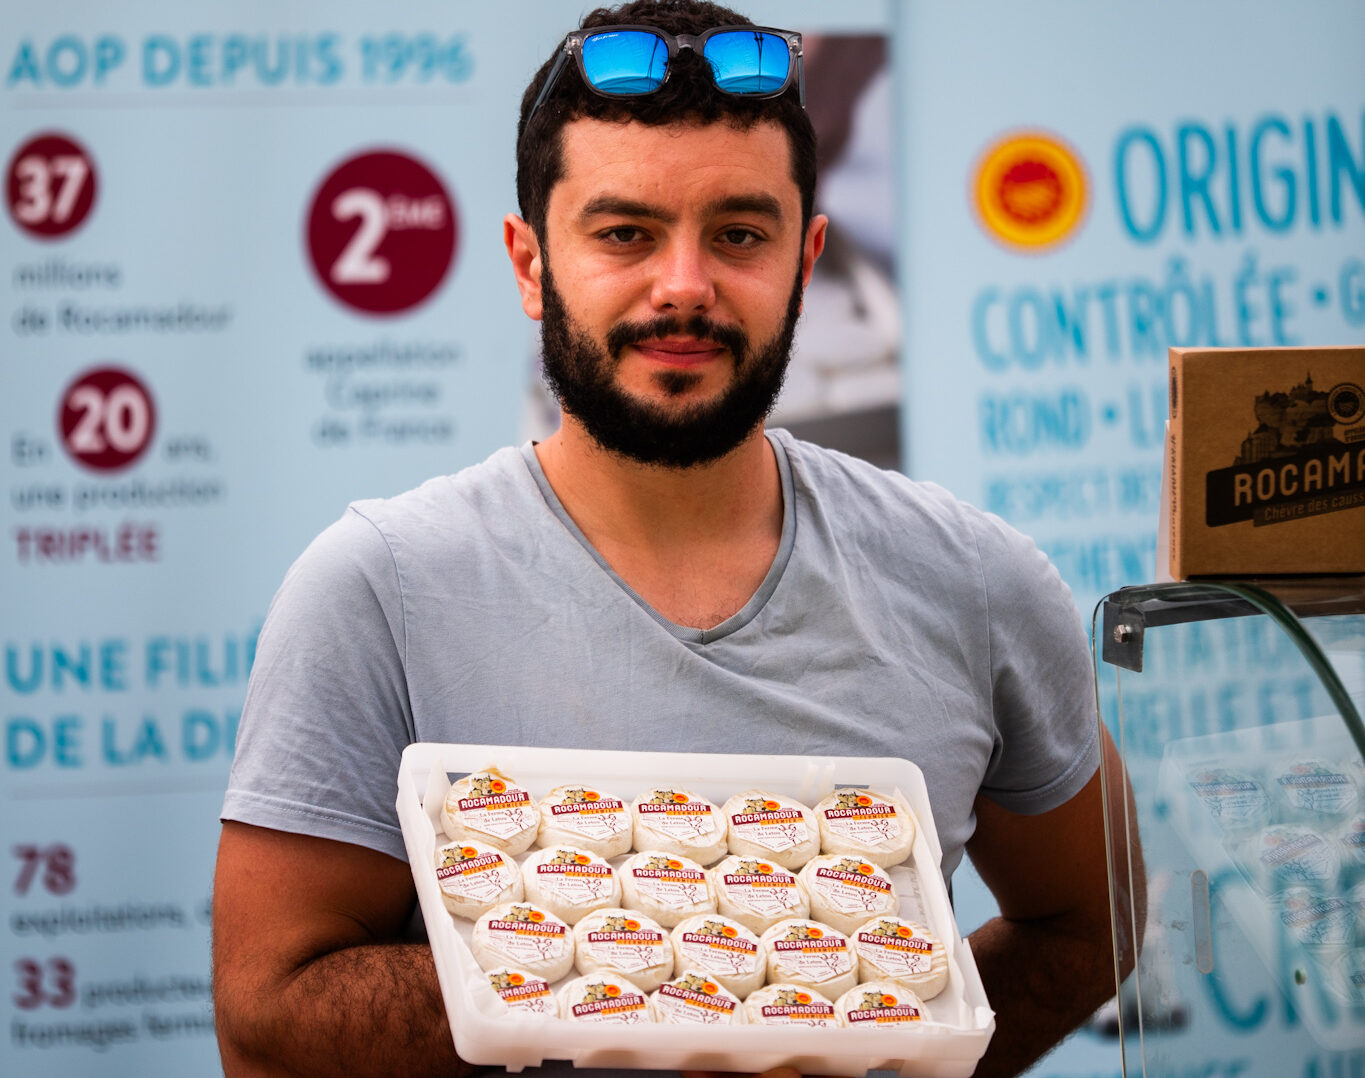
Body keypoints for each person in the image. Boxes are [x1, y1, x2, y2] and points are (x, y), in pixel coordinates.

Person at [212, 3, 1139, 1077]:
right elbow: (266, 1013)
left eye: (740, 234)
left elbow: (1095, 920)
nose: (685, 286)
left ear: (807, 260)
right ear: (529, 264)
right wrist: (647, 978)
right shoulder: (382, 588)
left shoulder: (974, 581)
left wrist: (888, 1045)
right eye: (624, 234)